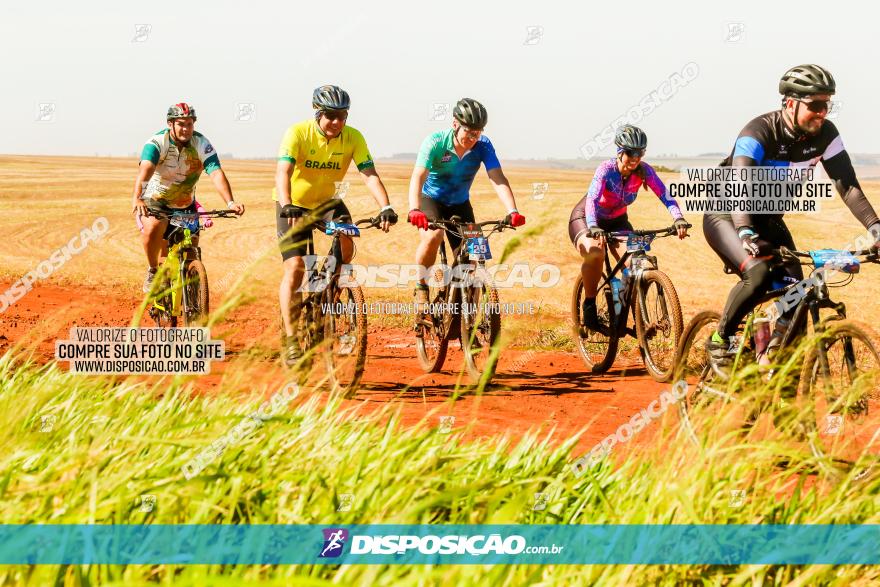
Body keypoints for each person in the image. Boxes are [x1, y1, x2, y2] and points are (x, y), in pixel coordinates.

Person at [704, 64, 880, 371]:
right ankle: (721, 338)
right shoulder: (757, 132)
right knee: (758, 276)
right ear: (790, 102)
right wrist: (745, 232)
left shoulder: (826, 135)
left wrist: (876, 229)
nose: (822, 112)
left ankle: (781, 384)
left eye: (827, 104)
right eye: (815, 104)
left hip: (768, 220)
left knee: (797, 295)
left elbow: (848, 185)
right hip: (729, 214)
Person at [275, 84, 398, 367]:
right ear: (318, 114)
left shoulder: (353, 137)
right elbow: (284, 170)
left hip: (328, 203)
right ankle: (293, 339)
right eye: (330, 116)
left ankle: (333, 288)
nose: (337, 122)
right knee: (295, 267)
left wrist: (385, 206)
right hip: (293, 204)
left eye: (342, 116)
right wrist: (286, 202)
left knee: (347, 239)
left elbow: (369, 174)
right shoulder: (297, 133)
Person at [407, 98, 526, 310]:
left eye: (477, 133)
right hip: (431, 200)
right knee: (433, 236)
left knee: (475, 254)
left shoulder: (484, 145)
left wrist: (512, 210)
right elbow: (418, 176)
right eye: (468, 132)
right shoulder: (435, 142)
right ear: (455, 124)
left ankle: (464, 312)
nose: (472, 138)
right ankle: (422, 287)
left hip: (460, 203)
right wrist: (414, 209)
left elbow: (497, 177)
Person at [569, 125, 688, 331]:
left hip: (618, 222)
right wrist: (594, 226)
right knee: (596, 253)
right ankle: (589, 305)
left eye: (640, 152)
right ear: (620, 151)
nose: (635, 158)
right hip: (587, 219)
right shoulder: (606, 169)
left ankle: (619, 310)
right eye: (631, 152)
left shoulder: (644, 171)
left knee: (635, 263)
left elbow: (665, 195)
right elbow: (592, 200)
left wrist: (678, 218)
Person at [132, 103, 245, 293]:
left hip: (185, 204)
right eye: (181, 124)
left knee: (191, 250)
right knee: (152, 228)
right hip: (156, 201)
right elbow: (146, 170)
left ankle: (191, 292)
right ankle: (152, 270)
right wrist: (138, 197)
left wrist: (230, 202)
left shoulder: (201, 144)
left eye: (190, 124)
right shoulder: (157, 142)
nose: (186, 129)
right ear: (170, 124)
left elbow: (216, 173)